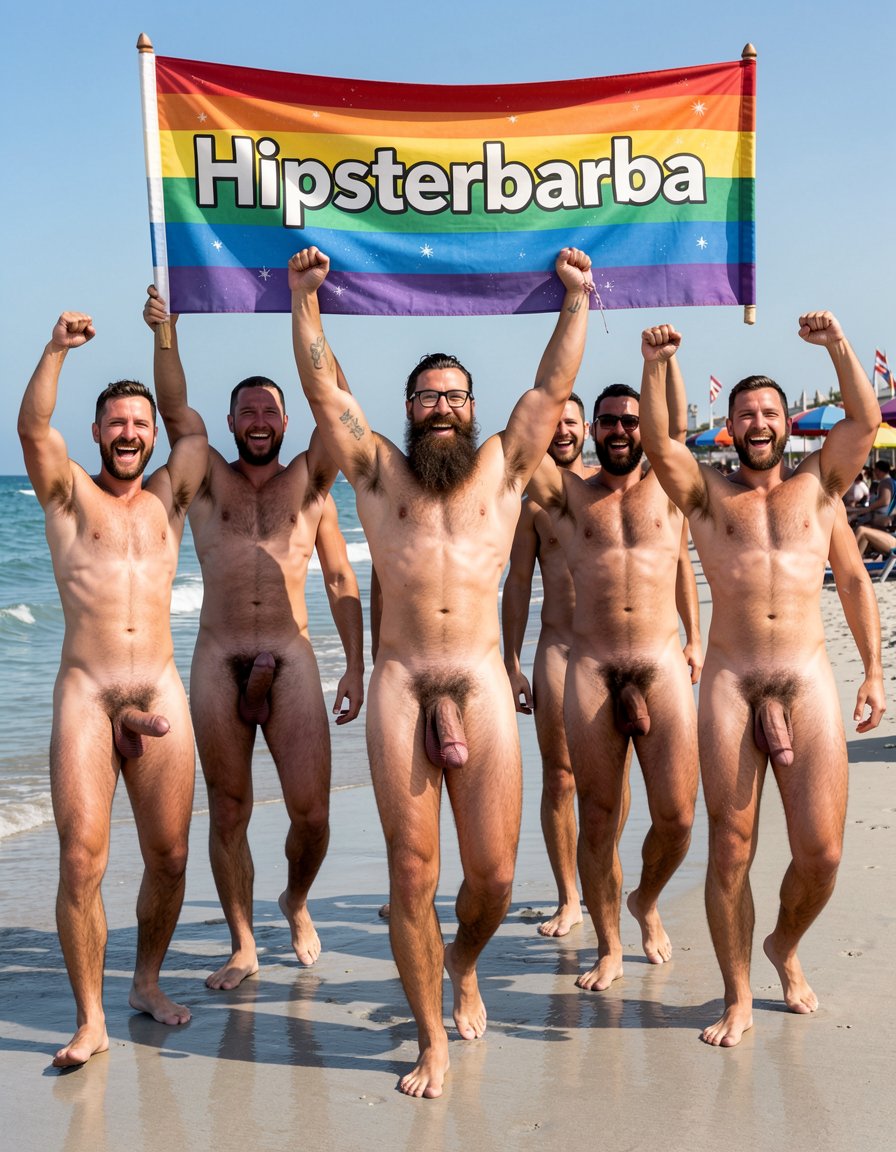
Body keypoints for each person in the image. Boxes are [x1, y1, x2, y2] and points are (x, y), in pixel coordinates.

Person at [289, 244, 593, 1098]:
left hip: (482, 682)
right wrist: (303, 301)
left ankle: (462, 962)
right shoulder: (379, 473)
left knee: (493, 877)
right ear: (410, 410)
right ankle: (429, 1037)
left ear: (472, 407)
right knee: (412, 874)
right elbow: (325, 393)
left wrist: (576, 299)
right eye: (428, 398)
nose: (442, 409)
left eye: (455, 397)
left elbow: (551, 390)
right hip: (402, 681)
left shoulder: (503, 469)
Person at [638, 311, 882, 1047]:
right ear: (733, 427)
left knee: (823, 852)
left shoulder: (820, 488)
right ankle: (737, 993)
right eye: (745, 413)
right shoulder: (709, 495)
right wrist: (654, 365)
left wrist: (872, 670)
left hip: (806, 679)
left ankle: (783, 943)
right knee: (732, 846)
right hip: (733, 681)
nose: (757, 422)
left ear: (787, 424)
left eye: (769, 411)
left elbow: (864, 421)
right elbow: (658, 443)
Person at [144, 290, 364, 990]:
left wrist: (355, 665)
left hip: (293, 658)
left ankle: (295, 898)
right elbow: (177, 412)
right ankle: (242, 942)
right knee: (229, 809)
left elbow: (343, 409)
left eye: (271, 411)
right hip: (217, 659)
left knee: (314, 814)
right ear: (234, 420)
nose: (259, 421)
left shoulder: (310, 481)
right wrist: (167, 334)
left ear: (287, 420)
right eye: (248, 411)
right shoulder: (207, 477)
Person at [18, 312, 208, 1067]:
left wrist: (165, 335)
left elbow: (190, 427)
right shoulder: (68, 498)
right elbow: (34, 429)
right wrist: (55, 349)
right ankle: (90, 1017)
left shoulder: (172, 493)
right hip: (89, 694)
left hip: (159, 690)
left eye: (139, 423)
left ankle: (146, 983)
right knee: (81, 861)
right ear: (96, 433)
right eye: (115, 424)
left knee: (169, 857)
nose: (130, 433)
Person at [524, 362, 703, 991]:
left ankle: (645, 899)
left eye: (631, 420)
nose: (622, 429)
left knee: (678, 817)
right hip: (591, 668)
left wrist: (663, 364)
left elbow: (674, 426)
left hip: (659, 661)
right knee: (597, 816)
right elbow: (529, 431)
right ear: (592, 430)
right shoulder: (569, 499)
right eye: (610, 421)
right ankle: (608, 943)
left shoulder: (670, 486)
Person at [501, 395, 598, 938]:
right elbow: (518, 582)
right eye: (552, 422)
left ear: (586, 427)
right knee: (559, 777)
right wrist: (511, 660)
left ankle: (601, 875)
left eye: (570, 421)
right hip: (558, 649)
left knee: (606, 780)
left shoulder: (609, 486)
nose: (561, 430)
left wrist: (691, 636)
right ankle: (568, 896)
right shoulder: (530, 502)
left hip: (612, 653)